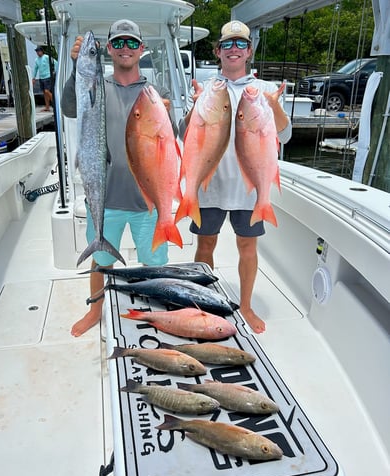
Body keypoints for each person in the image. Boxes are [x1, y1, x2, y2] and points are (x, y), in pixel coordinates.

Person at [61, 19, 177, 337]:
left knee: (154, 263)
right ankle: (95, 311)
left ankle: (156, 313)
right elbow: (70, 107)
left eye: (131, 43)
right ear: (110, 49)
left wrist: (167, 114)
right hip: (106, 198)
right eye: (119, 43)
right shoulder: (96, 85)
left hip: (148, 201)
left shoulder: (157, 92)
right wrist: (77, 67)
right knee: (100, 262)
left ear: (141, 49)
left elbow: (174, 136)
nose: (125, 49)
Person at [179, 20, 292, 334]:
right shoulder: (206, 88)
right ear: (217, 51)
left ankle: (245, 306)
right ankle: (206, 303)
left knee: (247, 247)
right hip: (209, 186)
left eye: (240, 44)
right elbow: (183, 132)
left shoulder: (266, 91)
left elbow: (285, 135)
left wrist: (275, 108)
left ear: (249, 51)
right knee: (205, 245)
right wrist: (193, 108)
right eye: (227, 44)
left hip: (249, 191)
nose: (233, 49)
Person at [32, 46, 57, 111]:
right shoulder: (36, 60)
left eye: (39, 51)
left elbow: (55, 62)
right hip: (41, 77)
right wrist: (33, 78)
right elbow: (35, 69)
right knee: (44, 93)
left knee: (47, 91)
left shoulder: (46, 57)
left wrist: (56, 72)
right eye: (37, 51)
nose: (38, 52)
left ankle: (56, 104)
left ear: (42, 51)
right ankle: (47, 107)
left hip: (48, 76)